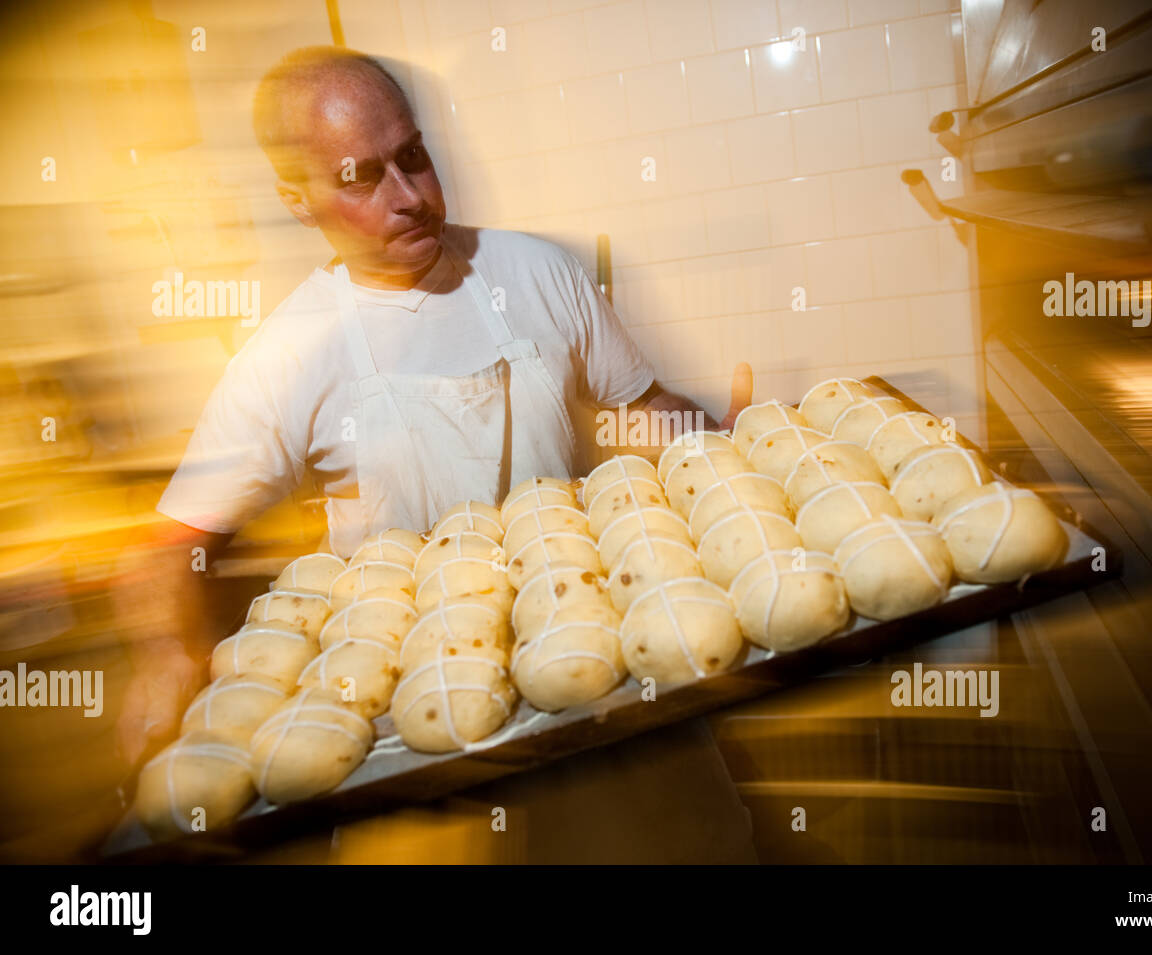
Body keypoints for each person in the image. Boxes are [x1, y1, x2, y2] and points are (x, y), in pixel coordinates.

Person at [113, 46, 757, 862]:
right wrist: (164, 650)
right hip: (411, 726)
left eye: (413, 157)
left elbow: (644, 409)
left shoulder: (537, 272)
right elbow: (175, 541)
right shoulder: (288, 353)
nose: (410, 196)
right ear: (299, 200)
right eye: (362, 176)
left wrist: (722, 455)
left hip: (596, 672)